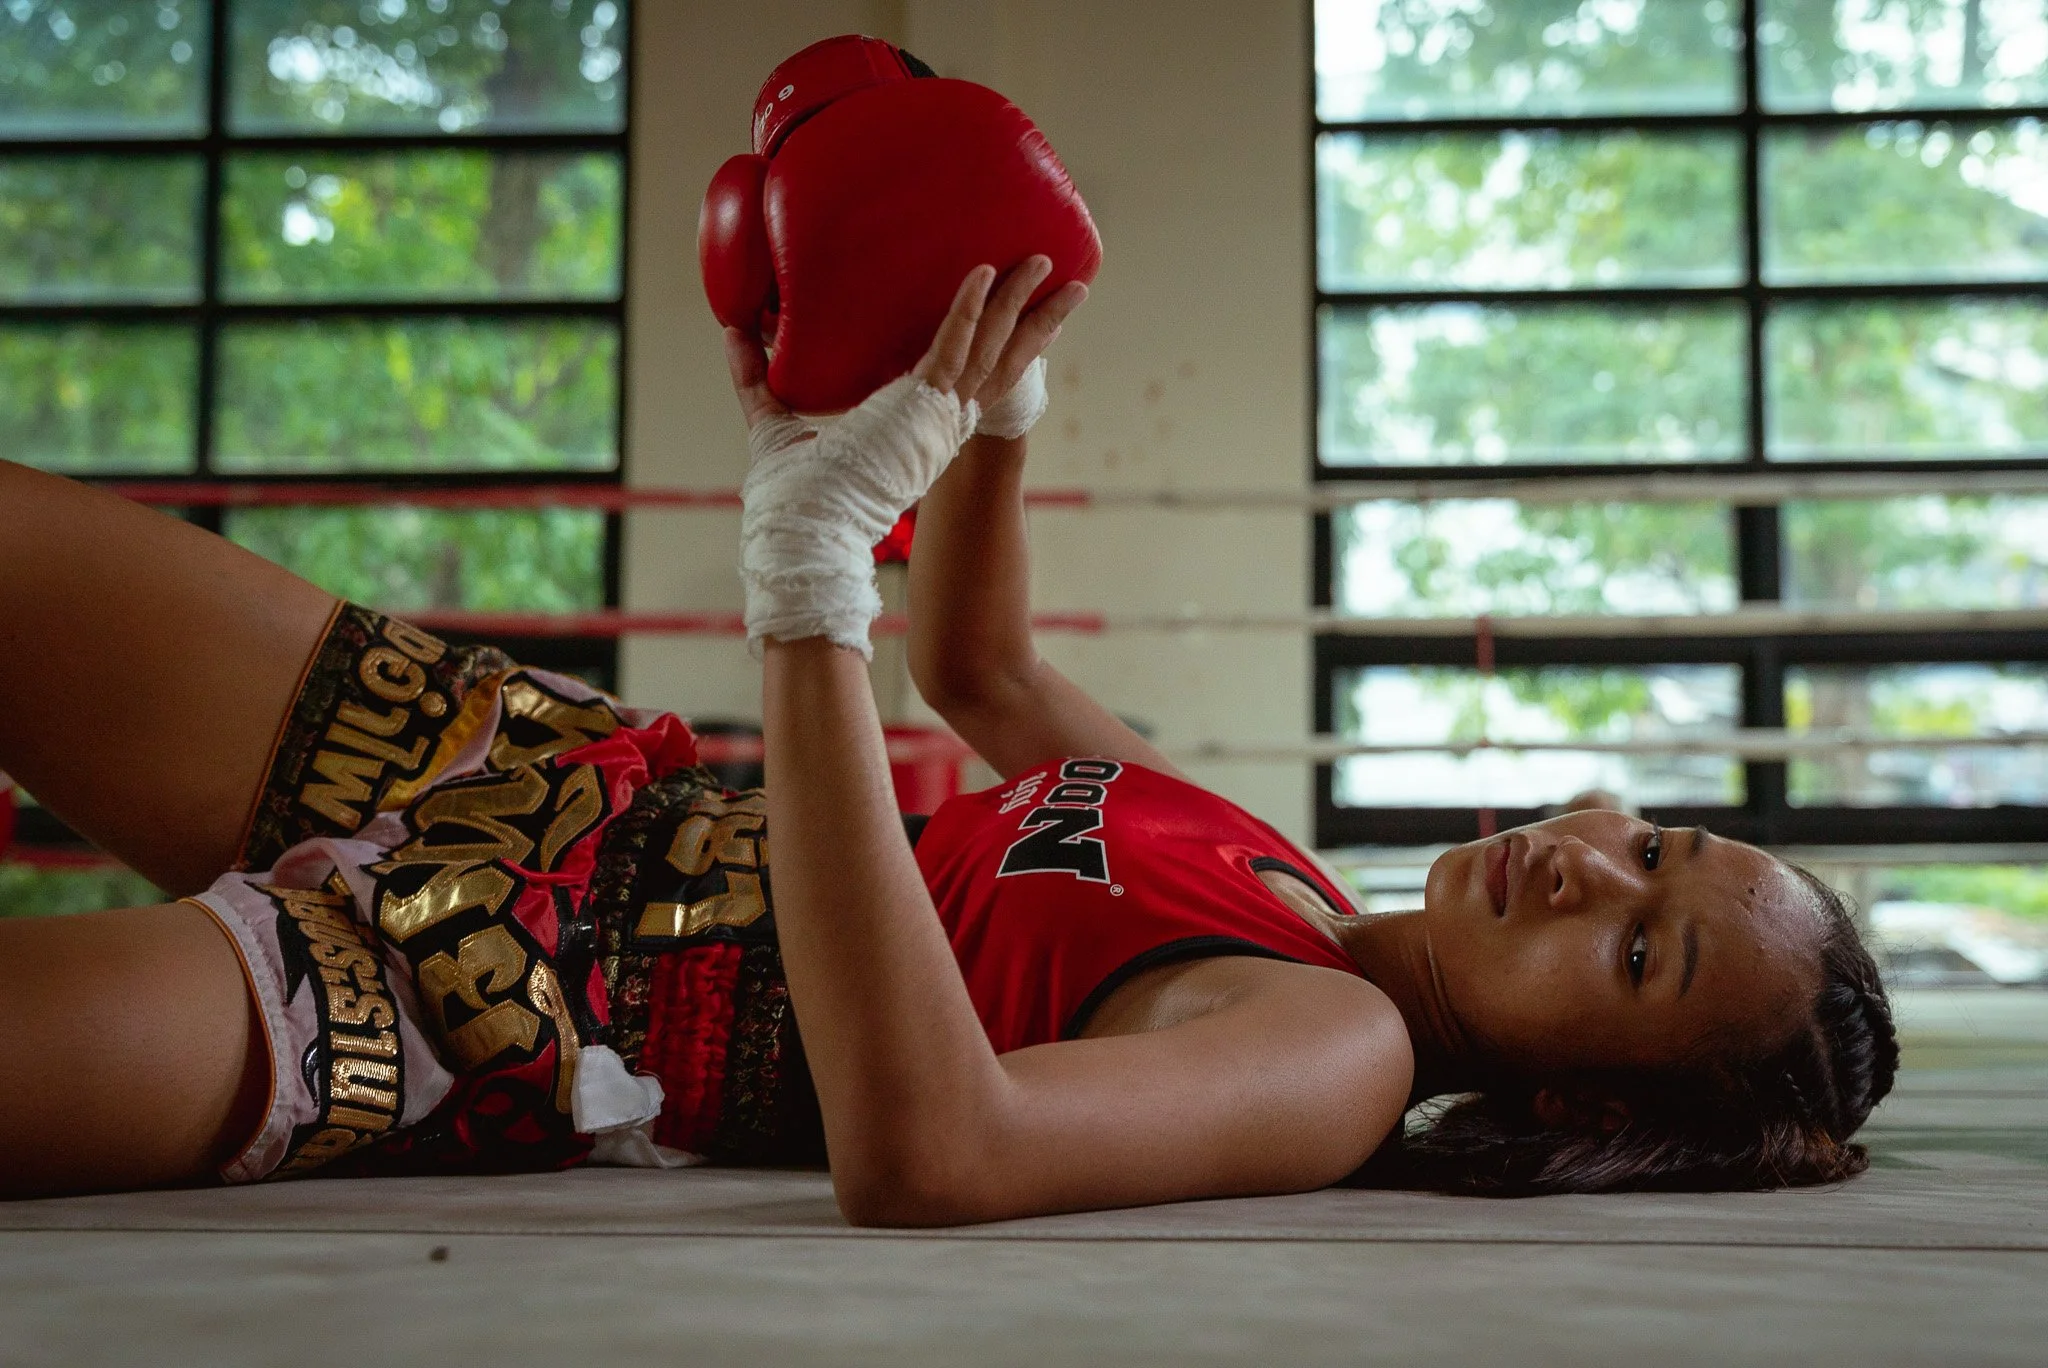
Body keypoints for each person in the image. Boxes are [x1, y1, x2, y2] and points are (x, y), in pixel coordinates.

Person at [0, 261, 1895, 1222]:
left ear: (1582, 1108)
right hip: (541, 774)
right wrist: (993, 399)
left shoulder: (1339, 1053)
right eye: (1652, 849)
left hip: (508, 1006)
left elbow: (934, 1151)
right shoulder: (1284, 877)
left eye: (1633, 951)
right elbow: (982, 671)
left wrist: (814, 574)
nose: (1584, 871)